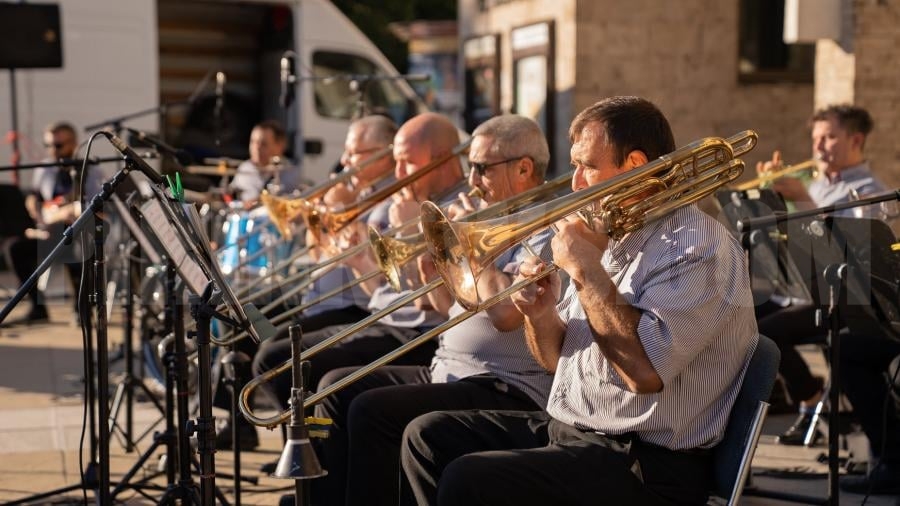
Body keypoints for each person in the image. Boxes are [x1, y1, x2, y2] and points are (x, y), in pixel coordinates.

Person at [400, 96, 759, 505]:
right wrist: (539, 314)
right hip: (577, 430)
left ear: (636, 166)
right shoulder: (611, 236)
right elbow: (557, 360)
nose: (575, 183)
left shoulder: (698, 246)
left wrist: (587, 271)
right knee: (426, 438)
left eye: (587, 165)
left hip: (648, 463)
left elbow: (644, 372)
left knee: (471, 478)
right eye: (575, 165)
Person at [309, 115, 555, 506]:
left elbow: (506, 315)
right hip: (450, 366)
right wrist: (439, 265)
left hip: (505, 383)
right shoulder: (489, 218)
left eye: (481, 168)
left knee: (372, 411)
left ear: (524, 168)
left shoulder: (547, 227)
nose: (471, 181)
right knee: (336, 389)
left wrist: (470, 251)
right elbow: (447, 308)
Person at [250, 112, 466, 421]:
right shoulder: (404, 199)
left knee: (291, 364)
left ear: (442, 158)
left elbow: (427, 300)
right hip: (380, 314)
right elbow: (381, 286)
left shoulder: (443, 206)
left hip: (411, 328)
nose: (399, 172)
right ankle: (305, 448)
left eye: (407, 162)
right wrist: (351, 254)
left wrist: (410, 234)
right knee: (266, 343)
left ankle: (312, 449)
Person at [215, 115, 397, 451]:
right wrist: (320, 226)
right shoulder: (356, 191)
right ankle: (247, 426)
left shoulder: (387, 199)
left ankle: (305, 448)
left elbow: (375, 271)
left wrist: (342, 216)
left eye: (354, 153)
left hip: (352, 307)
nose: (345, 161)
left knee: (276, 357)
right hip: (320, 299)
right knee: (240, 322)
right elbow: (320, 254)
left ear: (385, 153)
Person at [754, 105, 888, 445]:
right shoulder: (817, 184)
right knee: (744, 315)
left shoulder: (870, 190)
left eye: (829, 137)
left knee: (765, 333)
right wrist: (773, 197)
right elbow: (792, 242)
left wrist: (801, 197)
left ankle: (813, 400)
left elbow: (845, 253)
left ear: (856, 139)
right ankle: (812, 402)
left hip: (846, 301)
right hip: (804, 291)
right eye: (816, 138)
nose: (819, 147)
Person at [5, 121, 102, 325]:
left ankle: (82, 309)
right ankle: (38, 308)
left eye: (58, 146)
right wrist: (36, 210)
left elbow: (94, 204)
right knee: (14, 249)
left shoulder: (89, 169)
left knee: (81, 249)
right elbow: (34, 195)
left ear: (73, 143)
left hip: (78, 232)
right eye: (49, 145)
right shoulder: (45, 168)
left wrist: (62, 213)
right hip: (49, 232)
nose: (53, 150)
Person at [229, 119, 302, 202]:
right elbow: (229, 196)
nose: (257, 148)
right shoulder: (244, 169)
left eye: (263, 144)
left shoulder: (291, 173)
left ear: (280, 145)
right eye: (253, 142)